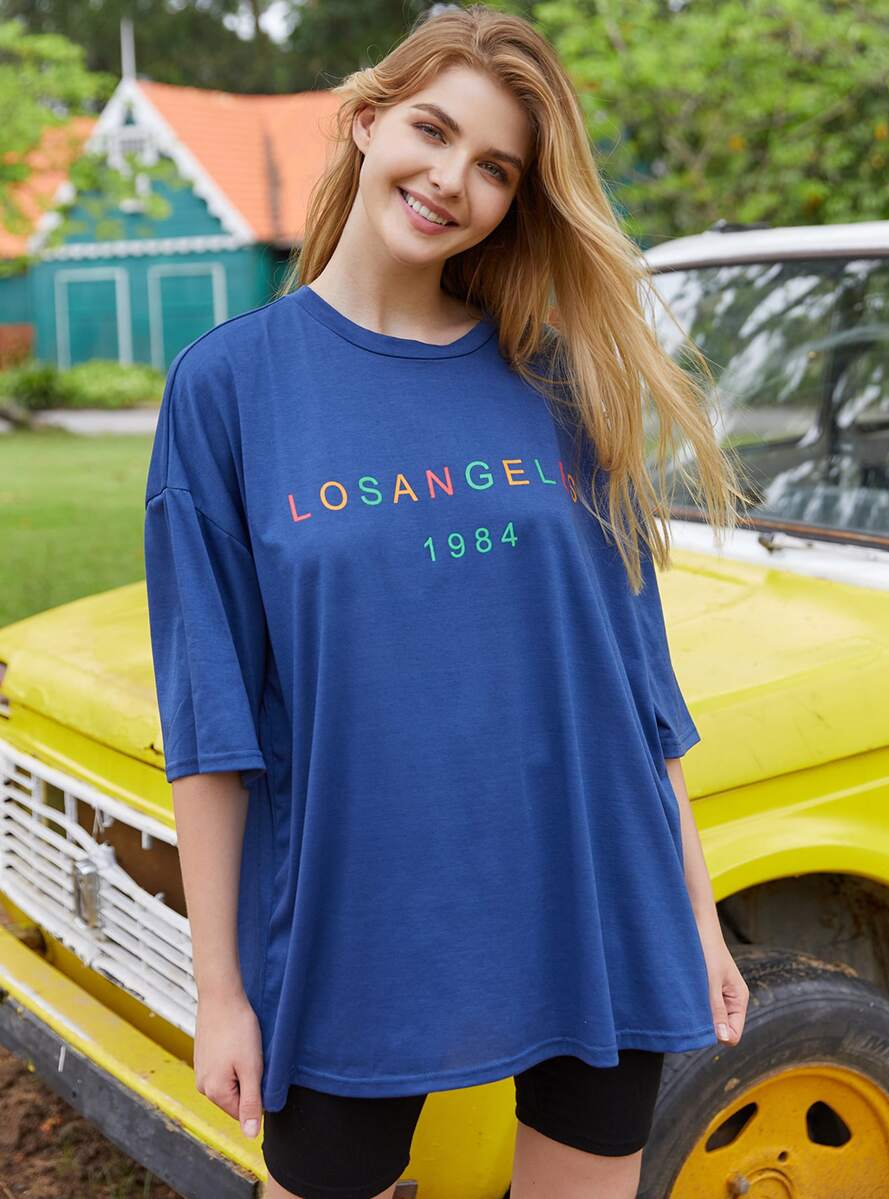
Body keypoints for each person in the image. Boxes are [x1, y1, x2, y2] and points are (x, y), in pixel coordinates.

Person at [143, 6, 752, 1199]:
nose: (451, 180)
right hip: (357, 920)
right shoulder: (230, 388)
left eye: (495, 168)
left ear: (518, 199)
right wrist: (221, 989)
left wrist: (696, 914)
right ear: (367, 121)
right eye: (432, 130)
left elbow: (635, 680)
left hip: (593, 892)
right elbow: (210, 720)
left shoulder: (557, 379)